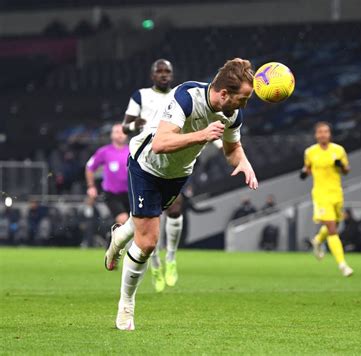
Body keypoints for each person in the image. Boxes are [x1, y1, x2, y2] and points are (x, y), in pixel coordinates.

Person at [106, 58, 258, 330]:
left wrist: (243, 162)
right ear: (224, 93)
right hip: (146, 165)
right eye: (243, 99)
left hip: (177, 173)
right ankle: (126, 306)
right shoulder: (186, 96)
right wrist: (202, 135)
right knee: (148, 241)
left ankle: (118, 235)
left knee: (140, 222)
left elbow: (232, 149)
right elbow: (161, 144)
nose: (244, 105)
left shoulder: (233, 113)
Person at [121, 59, 184, 293]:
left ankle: (172, 258)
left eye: (168, 71)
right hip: (146, 163)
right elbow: (123, 127)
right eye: (160, 71)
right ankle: (155, 265)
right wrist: (134, 124)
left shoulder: (179, 95)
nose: (164, 74)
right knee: (150, 219)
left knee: (176, 209)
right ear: (152, 75)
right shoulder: (141, 96)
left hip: (173, 161)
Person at [300, 121, 354, 277]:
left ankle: (317, 240)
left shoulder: (338, 150)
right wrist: (303, 173)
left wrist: (341, 166)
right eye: (320, 132)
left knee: (336, 223)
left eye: (326, 131)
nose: (323, 134)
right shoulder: (310, 152)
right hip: (321, 194)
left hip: (336, 193)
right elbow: (308, 168)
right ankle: (343, 265)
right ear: (316, 135)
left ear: (329, 134)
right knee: (332, 228)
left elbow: (346, 170)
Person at [85, 123, 130, 225]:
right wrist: (91, 186)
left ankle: (112, 237)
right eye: (117, 132)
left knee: (134, 223)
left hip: (130, 194)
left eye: (123, 132)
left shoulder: (132, 150)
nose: (120, 135)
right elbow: (89, 167)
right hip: (112, 194)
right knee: (123, 219)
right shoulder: (104, 151)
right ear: (112, 135)